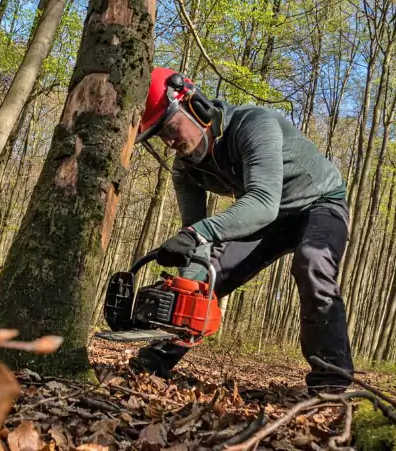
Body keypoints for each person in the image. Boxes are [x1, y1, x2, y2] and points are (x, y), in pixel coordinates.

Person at [130, 67, 354, 395]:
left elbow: (262, 202)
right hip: (272, 219)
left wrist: (196, 235)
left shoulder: (254, 125)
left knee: (313, 263)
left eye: (170, 127)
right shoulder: (185, 169)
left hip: (320, 204)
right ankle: (154, 361)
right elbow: (198, 240)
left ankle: (332, 383)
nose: (169, 142)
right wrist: (190, 271)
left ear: (195, 106)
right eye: (159, 136)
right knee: (208, 274)